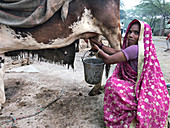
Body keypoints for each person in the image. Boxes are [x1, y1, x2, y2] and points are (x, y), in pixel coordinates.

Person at [89, 19, 169, 127]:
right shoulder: (143, 48)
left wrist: (97, 50)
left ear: (143, 35)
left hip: (139, 90)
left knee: (112, 84)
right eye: (130, 32)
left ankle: (122, 116)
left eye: (136, 33)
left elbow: (108, 59)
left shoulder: (135, 49)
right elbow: (115, 52)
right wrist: (100, 45)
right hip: (144, 88)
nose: (131, 35)